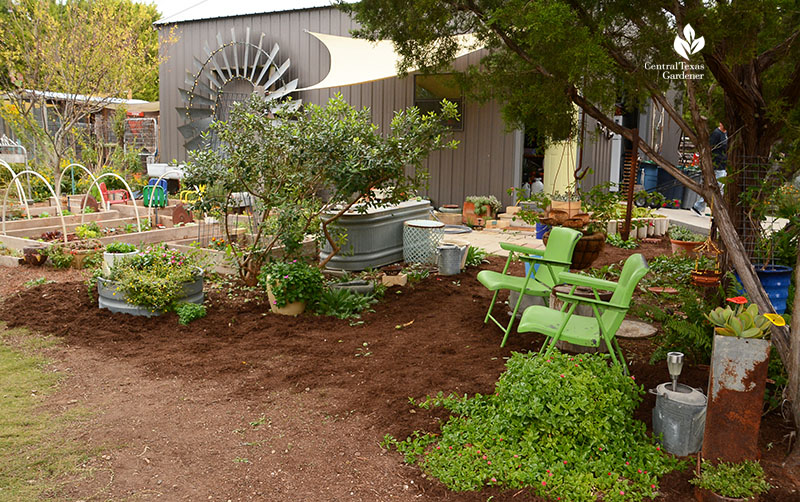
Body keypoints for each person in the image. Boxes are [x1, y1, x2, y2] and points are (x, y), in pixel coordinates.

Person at [692, 122, 727, 216]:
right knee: (717, 187)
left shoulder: (725, 134)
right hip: (717, 164)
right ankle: (699, 205)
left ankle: (716, 209)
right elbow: (710, 147)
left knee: (721, 188)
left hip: (723, 164)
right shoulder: (717, 133)